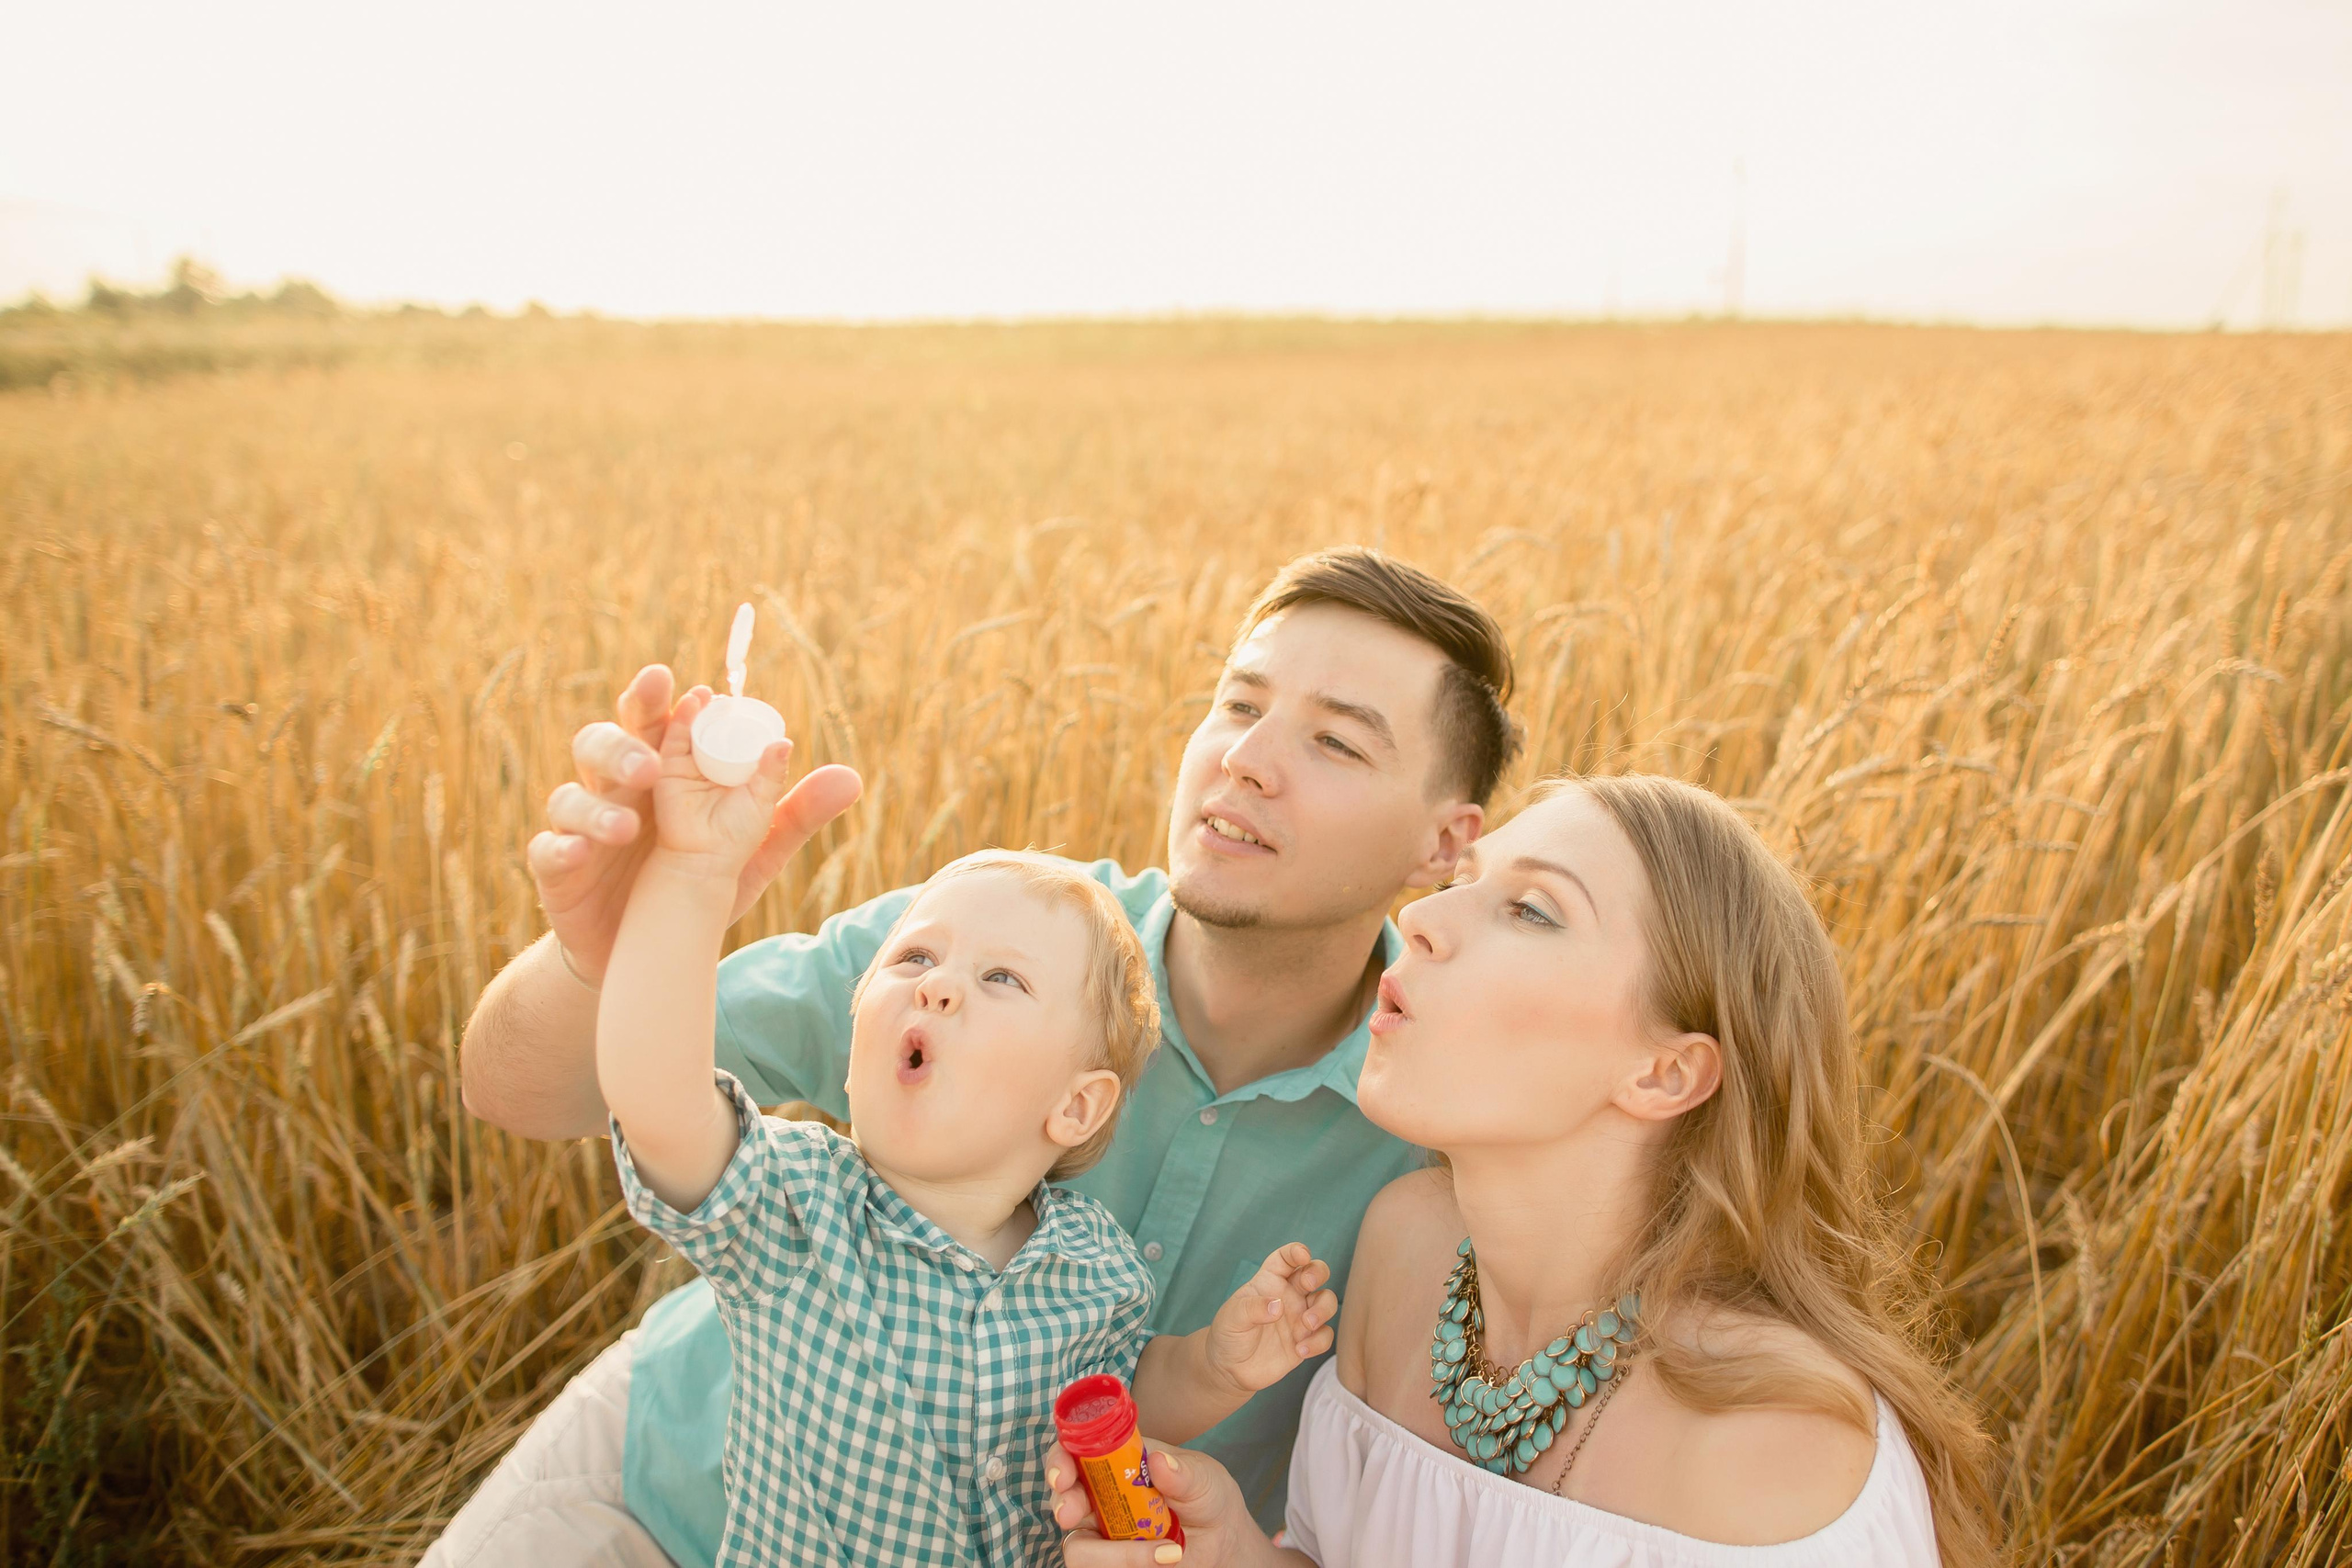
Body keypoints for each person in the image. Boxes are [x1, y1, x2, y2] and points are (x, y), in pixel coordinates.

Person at [425, 548, 1521, 1568]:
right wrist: (605, 951)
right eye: (1237, 706)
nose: (1246, 759)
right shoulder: (981, 942)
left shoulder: (1448, 1134)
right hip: (657, 1493)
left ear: (1444, 844)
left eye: (1334, 740)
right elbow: (522, 1090)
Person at [1047, 775, 2001, 1567]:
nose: (1420, 919)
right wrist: (1235, 1555)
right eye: (1462, 879)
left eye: (1531, 910)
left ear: (1664, 1071)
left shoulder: (1774, 1445)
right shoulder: (1408, 1250)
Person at [598, 671, 1340, 1565]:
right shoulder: (793, 1211)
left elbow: (1121, 1396)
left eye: (1001, 980)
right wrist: (687, 874)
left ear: (1075, 1106)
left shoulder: (1092, 1267)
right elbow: (657, 1099)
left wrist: (1215, 1366)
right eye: (913, 958)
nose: (939, 985)